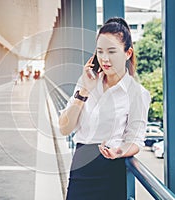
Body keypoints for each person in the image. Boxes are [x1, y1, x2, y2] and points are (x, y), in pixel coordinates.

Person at [59, 17, 151, 200]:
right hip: (80, 167)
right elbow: (64, 128)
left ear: (127, 53)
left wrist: (119, 151)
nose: (104, 58)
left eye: (111, 51)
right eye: (100, 52)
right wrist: (85, 90)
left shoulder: (137, 93)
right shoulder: (86, 82)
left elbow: (136, 139)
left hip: (110, 169)